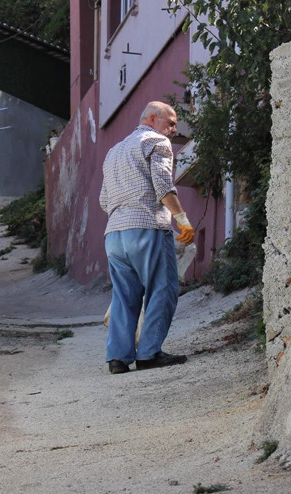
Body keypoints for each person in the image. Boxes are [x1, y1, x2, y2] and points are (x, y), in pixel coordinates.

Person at [99, 101, 195, 374]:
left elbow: (104, 199)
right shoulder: (158, 143)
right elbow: (163, 186)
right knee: (162, 289)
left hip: (114, 235)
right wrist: (182, 220)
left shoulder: (114, 151)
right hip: (148, 228)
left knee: (123, 296)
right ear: (153, 119)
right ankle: (150, 353)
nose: (175, 130)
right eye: (172, 122)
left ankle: (117, 358)